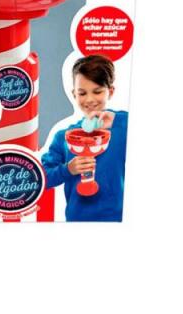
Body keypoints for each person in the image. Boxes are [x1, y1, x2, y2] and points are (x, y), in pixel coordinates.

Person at [41, 55, 128, 221]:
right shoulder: (63, 137)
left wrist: (118, 120)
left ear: (110, 91)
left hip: (118, 220)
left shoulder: (123, 127)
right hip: (78, 220)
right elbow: (42, 178)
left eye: (97, 91)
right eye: (82, 93)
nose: (89, 99)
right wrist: (68, 169)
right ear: (74, 94)